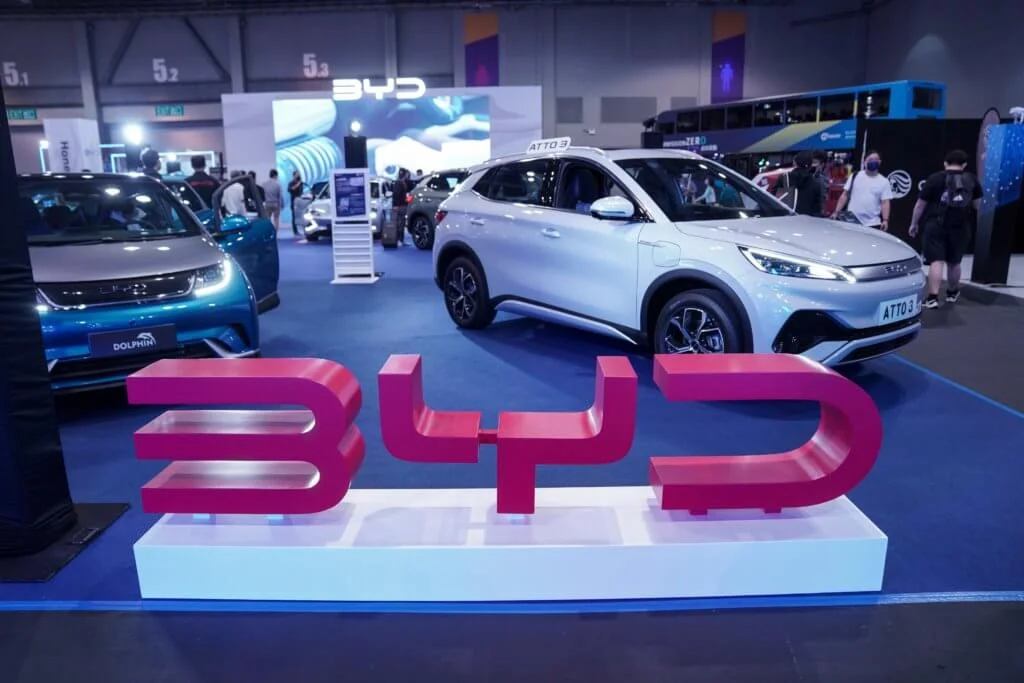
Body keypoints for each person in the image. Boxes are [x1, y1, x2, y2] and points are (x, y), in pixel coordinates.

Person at [909, 149, 982, 309]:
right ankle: (952, 293)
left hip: (936, 225)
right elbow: (977, 205)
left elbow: (920, 204)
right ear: (964, 164)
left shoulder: (935, 178)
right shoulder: (972, 179)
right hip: (961, 227)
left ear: (945, 163)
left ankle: (932, 298)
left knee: (936, 261)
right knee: (955, 262)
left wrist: (914, 223)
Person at [831, 150, 892, 230]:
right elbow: (844, 195)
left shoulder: (884, 181)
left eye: (876, 159)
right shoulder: (855, 176)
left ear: (880, 162)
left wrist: (885, 220)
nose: (873, 161)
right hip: (851, 220)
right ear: (865, 162)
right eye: (870, 159)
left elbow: (885, 202)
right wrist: (836, 212)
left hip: (872, 223)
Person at [789, 151, 825, 217]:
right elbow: (818, 208)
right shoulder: (816, 183)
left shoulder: (785, 179)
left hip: (788, 218)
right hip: (808, 219)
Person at [391, 168, 411, 245]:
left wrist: (408, 200)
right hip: (399, 206)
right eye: (407, 174)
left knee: (401, 223)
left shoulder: (403, 182)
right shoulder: (399, 183)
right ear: (405, 174)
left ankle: (401, 240)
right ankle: (397, 240)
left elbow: (403, 195)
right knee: (398, 224)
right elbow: (396, 194)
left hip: (403, 205)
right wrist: (395, 205)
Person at [288, 170, 303, 236]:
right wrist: (297, 184)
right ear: (294, 175)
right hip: (294, 202)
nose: (299, 175)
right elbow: (290, 189)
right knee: (294, 217)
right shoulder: (291, 183)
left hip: (300, 202)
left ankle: (304, 230)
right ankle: (295, 231)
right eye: (297, 174)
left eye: (299, 174)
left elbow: (301, 192)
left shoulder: (301, 183)